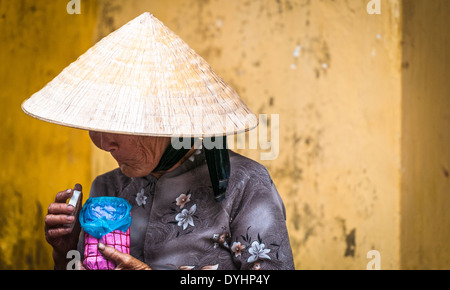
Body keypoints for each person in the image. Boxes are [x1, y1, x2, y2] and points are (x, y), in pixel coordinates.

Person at [23, 13, 294, 270]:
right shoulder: (109, 188)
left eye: (121, 125)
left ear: (169, 123)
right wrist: (65, 251)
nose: (104, 143)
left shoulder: (245, 184)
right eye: (96, 125)